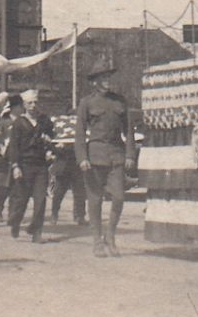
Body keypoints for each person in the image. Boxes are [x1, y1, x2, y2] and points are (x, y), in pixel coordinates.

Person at [75, 59, 137, 258]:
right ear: (95, 82)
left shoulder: (120, 101)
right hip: (95, 157)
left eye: (108, 77)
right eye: (103, 77)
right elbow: (79, 133)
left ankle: (110, 235)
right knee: (95, 200)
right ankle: (97, 241)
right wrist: (82, 158)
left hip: (116, 156)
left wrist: (129, 154)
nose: (107, 80)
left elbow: (129, 130)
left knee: (119, 196)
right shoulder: (87, 103)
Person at [7, 90, 55, 242]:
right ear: (24, 105)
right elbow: (14, 146)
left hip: (40, 165)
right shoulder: (19, 123)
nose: (33, 106)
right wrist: (15, 166)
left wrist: (49, 141)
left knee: (41, 200)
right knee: (21, 199)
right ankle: (15, 223)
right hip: (24, 165)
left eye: (35, 102)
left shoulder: (44, 120)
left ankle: (36, 232)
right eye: (30, 103)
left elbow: (52, 135)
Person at [47, 116, 87, 226]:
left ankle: (79, 216)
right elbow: (52, 146)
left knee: (79, 193)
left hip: (76, 165)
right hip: (64, 166)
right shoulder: (60, 136)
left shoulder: (80, 132)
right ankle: (54, 214)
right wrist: (59, 147)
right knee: (60, 193)